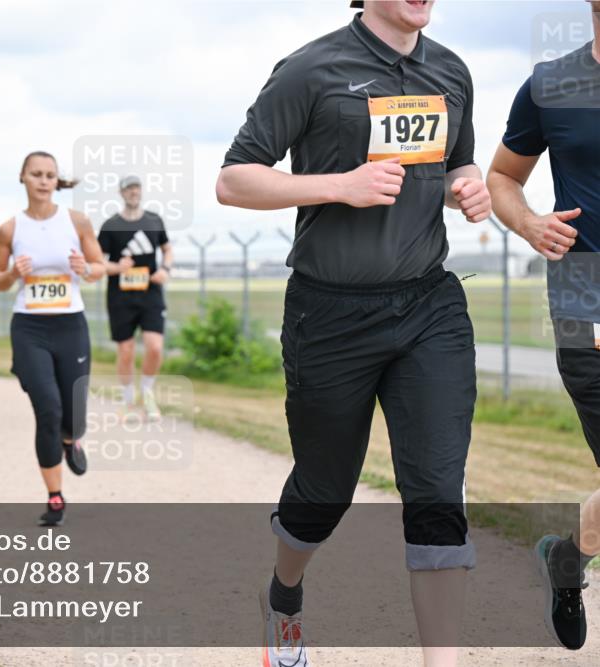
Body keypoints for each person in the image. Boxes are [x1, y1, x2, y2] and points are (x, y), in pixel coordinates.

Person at [216, 2, 493, 665]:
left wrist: (468, 183)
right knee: (324, 487)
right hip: (330, 313)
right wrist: (340, 185)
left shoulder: (451, 72)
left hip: (429, 306)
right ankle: (284, 595)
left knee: (435, 491)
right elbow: (233, 179)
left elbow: (457, 162)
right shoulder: (311, 69)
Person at [486, 2, 600, 650]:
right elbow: (504, 176)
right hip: (587, 303)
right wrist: (528, 222)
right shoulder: (551, 84)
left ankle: (566, 558)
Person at [0, 151, 105, 527]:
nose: (42, 180)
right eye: (35, 174)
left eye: (49, 175)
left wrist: (85, 269)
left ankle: (73, 439)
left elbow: (99, 268)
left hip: (70, 326)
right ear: (22, 177)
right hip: (29, 328)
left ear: (57, 181)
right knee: (48, 409)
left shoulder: (77, 221)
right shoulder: (10, 229)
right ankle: (55, 497)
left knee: (71, 414)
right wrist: (11, 273)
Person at [98, 175, 173, 419]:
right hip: (120, 295)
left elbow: (167, 249)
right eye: (129, 188)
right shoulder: (110, 225)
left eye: (137, 187)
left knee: (154, 347)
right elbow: (98, 262)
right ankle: (128, 399)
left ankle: (148, 394)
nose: (133, 192)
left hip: (150, 292)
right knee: (126, 350)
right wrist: (117, 267)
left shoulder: (153, 220)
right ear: (121, 192)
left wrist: (165, 269)